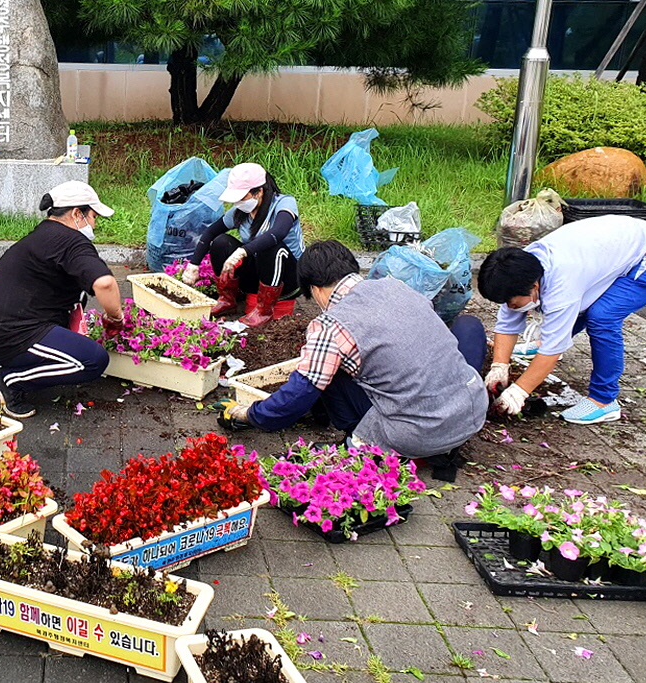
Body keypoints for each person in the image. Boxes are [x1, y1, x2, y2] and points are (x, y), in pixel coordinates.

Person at [221, 240, 488, 482]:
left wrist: (251, 413)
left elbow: (298, 395)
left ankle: (360, 441)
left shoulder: (330, 325)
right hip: (469, 414)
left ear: (314, 289)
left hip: (414, 434)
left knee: (326, 369)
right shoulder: (396, 287)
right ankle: (440, 446)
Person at [478, 214, 646, 424]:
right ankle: (541, 342)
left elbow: (552, 350)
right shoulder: (517, 269)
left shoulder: (562, 285)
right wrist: (499, 366)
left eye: (514, 303)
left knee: (602, 316)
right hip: (613, 247)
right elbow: (507, 323)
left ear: (535, 286)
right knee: (578, 308)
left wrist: (518, 391)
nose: (511, 308)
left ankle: (604, 400)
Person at [0, 181, 126, 419]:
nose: (94, 225)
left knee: (78, 299)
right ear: (77, 214)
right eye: (93, 216)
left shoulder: (45, 234)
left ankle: (21, 364)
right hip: (11, 335)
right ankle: (10, 380)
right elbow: (105, 283)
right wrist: (116, 318)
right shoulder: (71, 241)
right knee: (93, 360)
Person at [181, 163, 304, 327]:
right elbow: (211, 233)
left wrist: (242, 251)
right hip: (257, 277)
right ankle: (227, 300)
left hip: (288, 279)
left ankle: (264, 311)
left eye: (242, 197)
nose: (238, 202)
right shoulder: (240, 212)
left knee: (270, 245)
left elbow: (278, 233)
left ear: (259, 192)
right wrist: (194, 264)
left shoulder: (284, 204)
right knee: (221, 242)